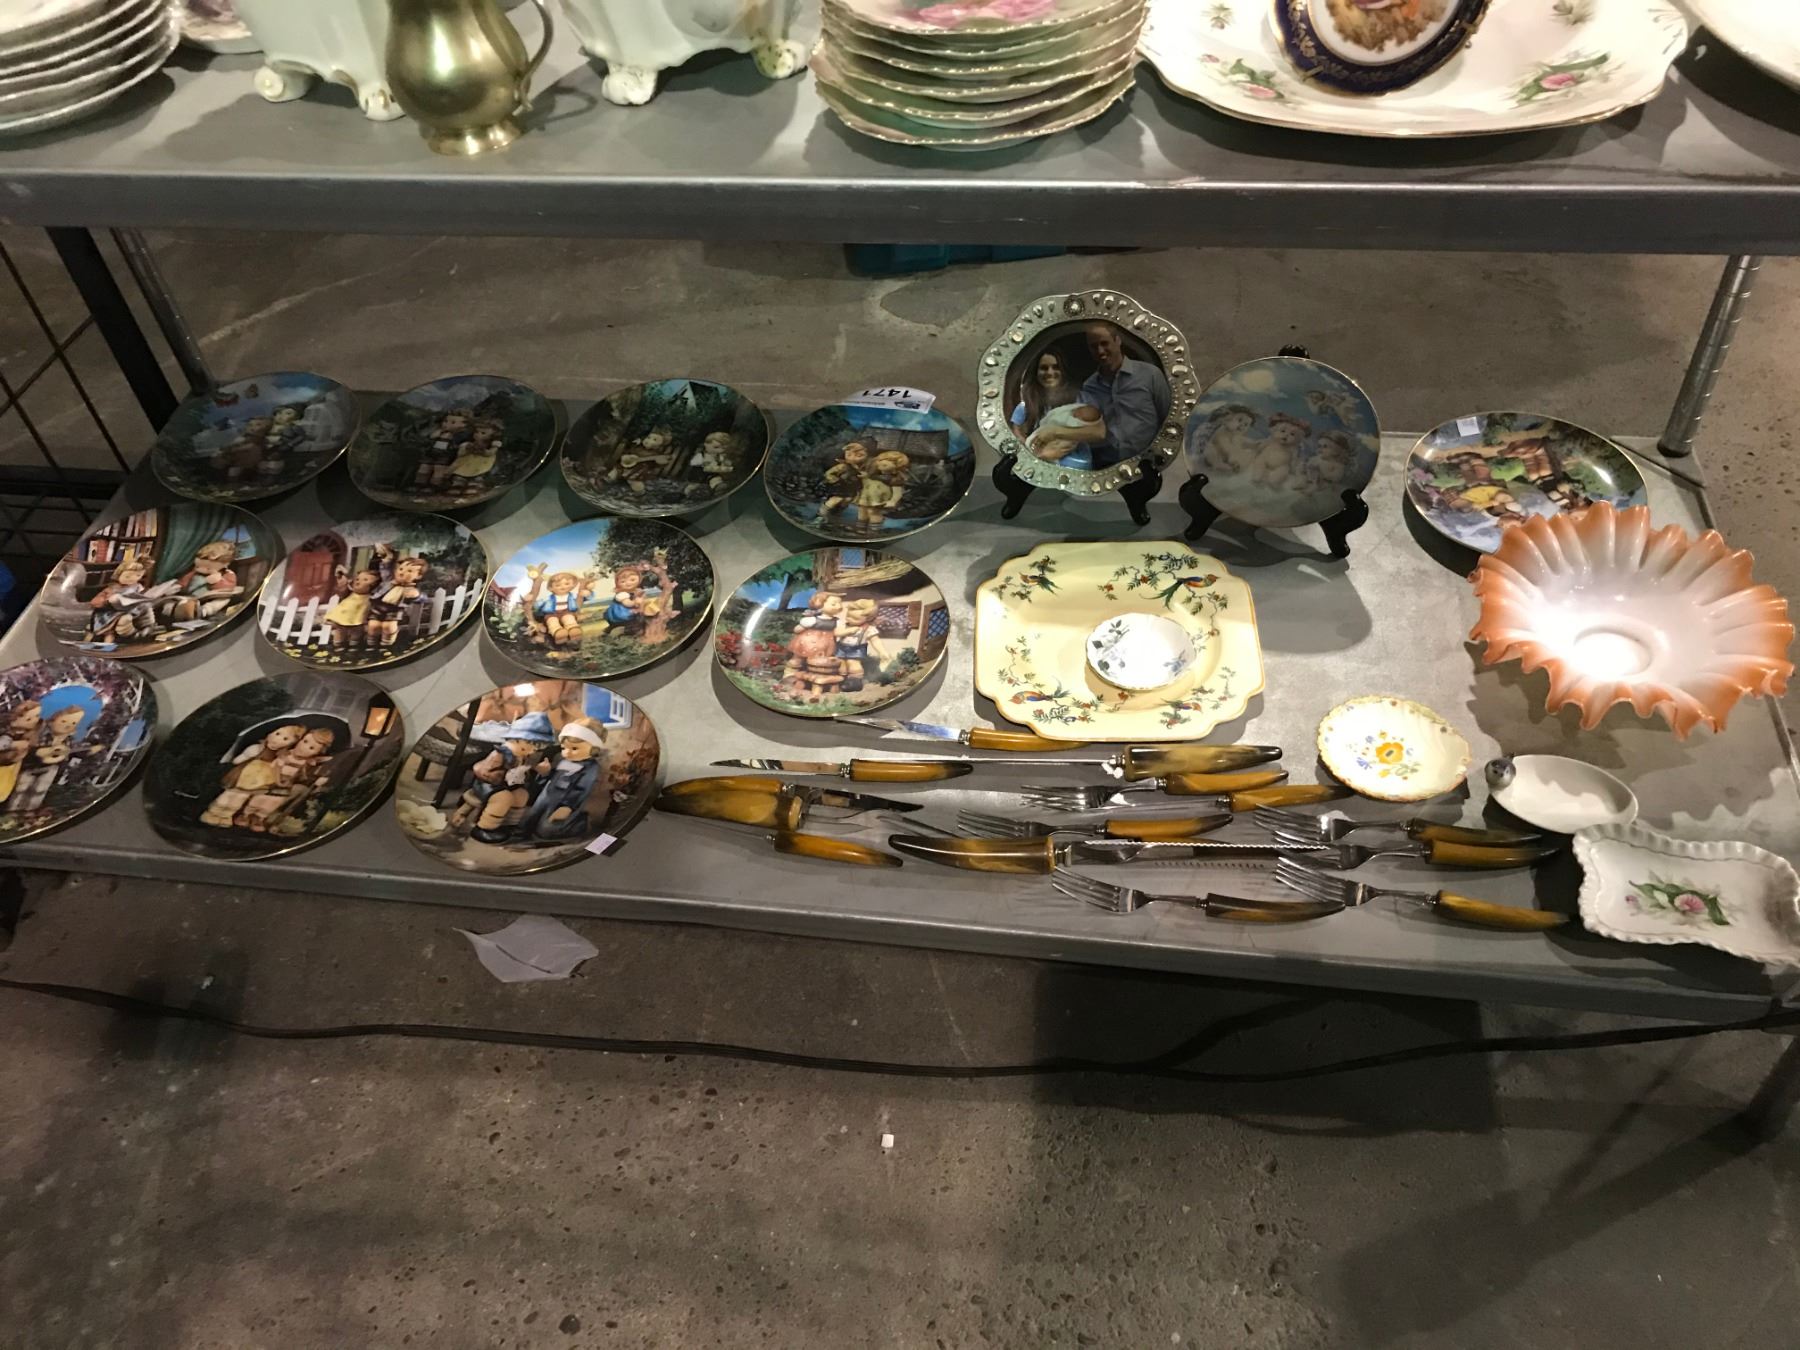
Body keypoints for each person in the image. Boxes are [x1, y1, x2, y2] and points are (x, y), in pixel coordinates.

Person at [1033, 323, 1171, 470]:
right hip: (1105, 468)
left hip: (1148, 464)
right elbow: (1087, 429)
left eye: (1104, 343)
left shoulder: (1150, 375)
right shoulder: (1089, 387)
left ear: (1117, 340)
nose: (1100, 350)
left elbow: (1170, 418)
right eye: (1093, 346)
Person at [1010, 350, 1083, 438]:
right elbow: (1016, 432)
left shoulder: (1079, 399)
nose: (1050, 373)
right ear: (1035, 372)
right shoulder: (1025, 406)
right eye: (1044, 368)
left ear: (1063, 371)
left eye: (1056, 367)